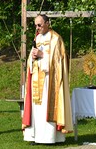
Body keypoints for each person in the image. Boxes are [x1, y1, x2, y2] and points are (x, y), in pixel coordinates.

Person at [22, 14, 73, 144]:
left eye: (39, 25)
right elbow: (30, 60)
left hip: (49, 81)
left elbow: (59, 62)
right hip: (36, 79)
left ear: (47, 23)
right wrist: (32, 58)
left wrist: (42, 55)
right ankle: (36, 136)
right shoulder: (37, 38)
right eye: (35, 25)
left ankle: (49, 138)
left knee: (47, 107)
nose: (37, 28)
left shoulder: (56, 39)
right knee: (36, 109)